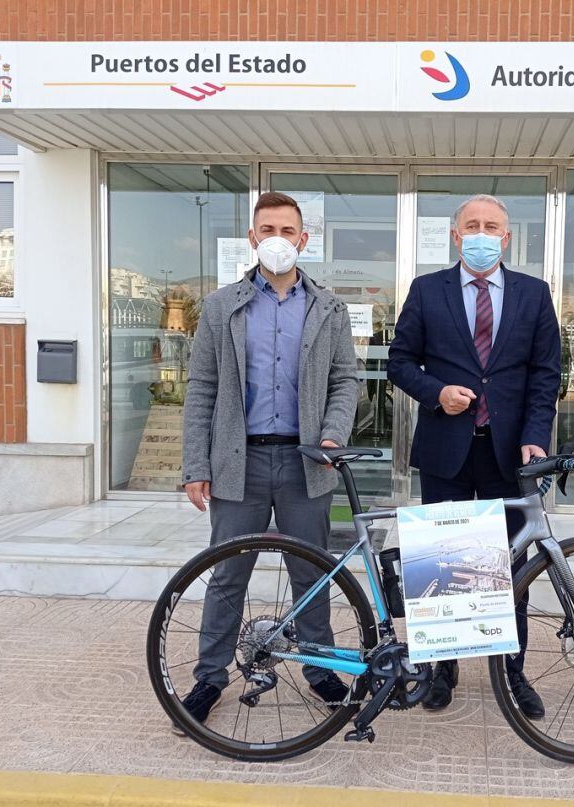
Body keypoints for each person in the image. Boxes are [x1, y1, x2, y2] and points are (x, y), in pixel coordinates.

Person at [179, 191, 360, 725]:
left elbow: (345, 380)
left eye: (287, 231)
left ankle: (320, 668)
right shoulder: (221, 307)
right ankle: (208, 680)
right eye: (267, 230)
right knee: (228, 576)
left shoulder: (329, 308)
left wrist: (331, 435)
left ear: (303, 240)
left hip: (307, 462)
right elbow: (202, 388)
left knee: (312, 572)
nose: (277, 240)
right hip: (241, 463)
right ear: (253, 237)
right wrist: (197, 464)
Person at [387, 193, 561, 718]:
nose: (481, 234)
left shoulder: (534, 294)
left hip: (511, 452)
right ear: (456, 236)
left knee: (512, 568)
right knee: (446, 565)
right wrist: (436, 392)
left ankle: (513, 670)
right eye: (472, 226)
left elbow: (545, 374)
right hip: (448, 451)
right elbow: (400, 362)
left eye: (492, 227)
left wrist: (536, 434)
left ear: (506, 238)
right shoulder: (426, 290)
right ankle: (444, 669)